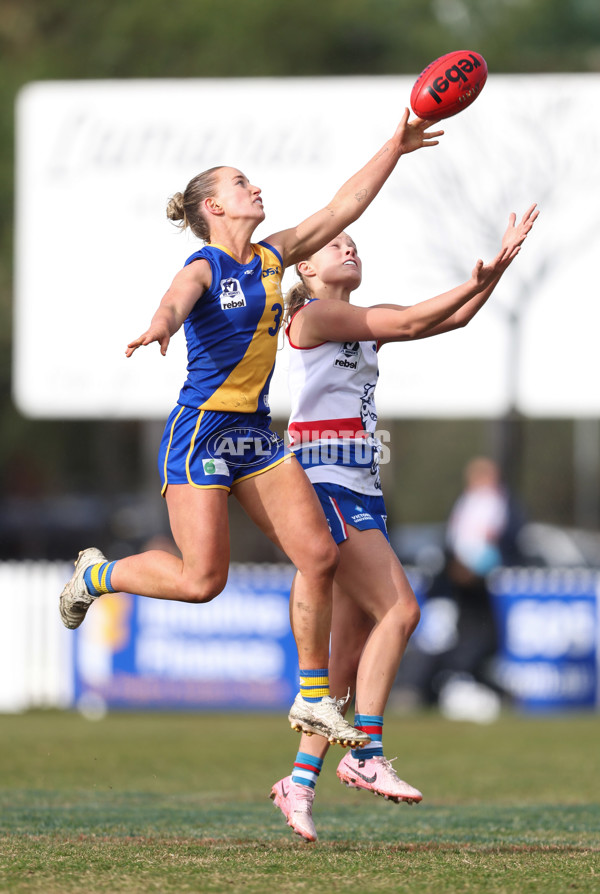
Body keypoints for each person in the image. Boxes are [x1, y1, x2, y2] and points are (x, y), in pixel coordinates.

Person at [59, 110, 444, 746]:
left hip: (256, 435)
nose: (255, 189)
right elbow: (176, 298)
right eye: (242, 184)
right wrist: (162, 324)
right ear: (213, 205)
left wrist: (396, 147)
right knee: (202, 581)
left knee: (318, 553)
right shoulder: (205, 265)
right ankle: (97, 575)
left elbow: (344, 206)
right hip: (202, 432)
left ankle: (313, 698)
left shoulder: (273, 256)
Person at [270, 205, 538, 841]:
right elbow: (417, 318)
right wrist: (487, 270)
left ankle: (299, 783)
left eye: (355, 241)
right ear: (304, 269)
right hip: (324, 479)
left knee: (345, 659)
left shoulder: (354, 320)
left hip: (360, 483)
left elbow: (457, 317)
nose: (350, 247)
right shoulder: (315, 315)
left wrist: (494, 273)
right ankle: (365, 753)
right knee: (402, 611)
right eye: (337, 244)